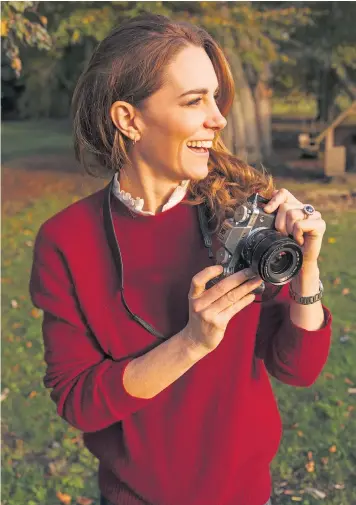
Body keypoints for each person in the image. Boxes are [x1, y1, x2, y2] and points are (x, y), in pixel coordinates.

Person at [29, 13, 332, 505]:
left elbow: (297, 369)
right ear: (129, 119)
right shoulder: (66, 241)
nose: (219, 118)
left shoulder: (243, 213)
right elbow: (77, 399)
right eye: (195, 101)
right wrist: (191, 343)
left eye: (215, 97)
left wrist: (307, 266)